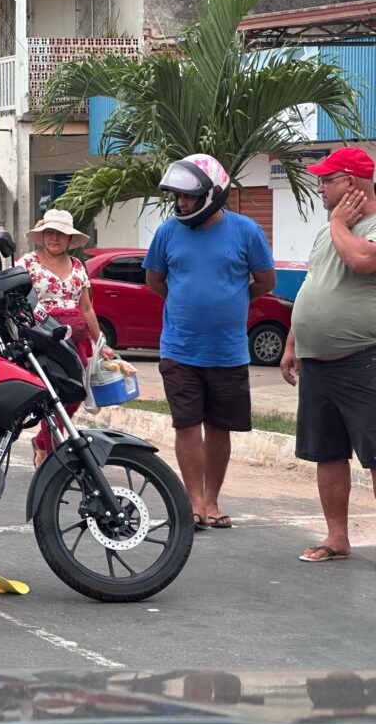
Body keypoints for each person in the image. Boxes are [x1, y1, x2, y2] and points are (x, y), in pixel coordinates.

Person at [143, 153, 275, 530]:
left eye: (189, 196)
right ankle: (195, 503)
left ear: (214, 194)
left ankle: (213, 500)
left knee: (219, 427)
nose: (181, 203)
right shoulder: (168, 232)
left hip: (228, 351)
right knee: (186, 426)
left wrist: (233, 300)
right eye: (179, 197)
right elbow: (155, 280)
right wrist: (185, 303)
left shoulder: (247, 231)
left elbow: (265, 282)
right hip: (180, 349)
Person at [279, 147, 376, 563]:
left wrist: (338, 222)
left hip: (363, 360)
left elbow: (361, 259)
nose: (319, 187)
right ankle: (337, 537)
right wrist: (292, 342)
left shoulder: (361, 227)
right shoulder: (327, 230)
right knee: (327, 452)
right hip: (318, 363)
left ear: (351, 183)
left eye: (327, 179)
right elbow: (312, 286)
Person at [20, 210, 113, 465]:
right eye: (50, 232)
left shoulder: (78, 266)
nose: (55, 238)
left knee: (75, 395)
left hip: (77, 343)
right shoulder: (26, 263)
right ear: (42, 236)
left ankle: (42, 442)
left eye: (61, 234)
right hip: (43, 340)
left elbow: (86, 308)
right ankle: (51, 457)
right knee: (52, 396)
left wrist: (101, 343)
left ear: (69, 240)